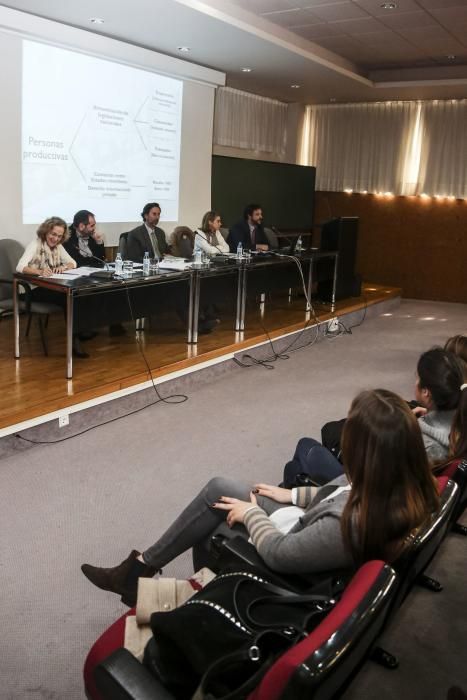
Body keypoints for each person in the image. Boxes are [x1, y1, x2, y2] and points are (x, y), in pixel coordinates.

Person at [81, 389, 439, 607]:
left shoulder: (349, 524)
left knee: (215, 527)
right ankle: (140, 568)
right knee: (219, 486)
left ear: (364, 452)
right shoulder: (395, 479)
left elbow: (281, 554)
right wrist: (293, 493)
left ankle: (200, 599)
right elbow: (340, 491)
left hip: (287, 553)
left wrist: (252, 514)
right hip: (303, 521)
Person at [283, 347, 465, 486]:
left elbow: (376, 478)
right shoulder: (459, 421)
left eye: (417, 378)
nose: (415, 382)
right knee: (297, 467)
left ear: (426, 392)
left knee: (302, 450)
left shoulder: (423, 443)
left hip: (364, 492)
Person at [16, 217, 88, 358]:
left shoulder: (58, 247)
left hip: (51, 288)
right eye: (53, 234)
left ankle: (78, 334)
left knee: (76, 295)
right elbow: (19, 267)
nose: (55, 239)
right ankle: (75, 340)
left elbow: (73, 263)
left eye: (59, 236)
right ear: (46, 231)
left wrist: (63, 267)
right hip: (33, 290)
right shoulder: (35, 244)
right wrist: (39, 271)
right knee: (68, 297)